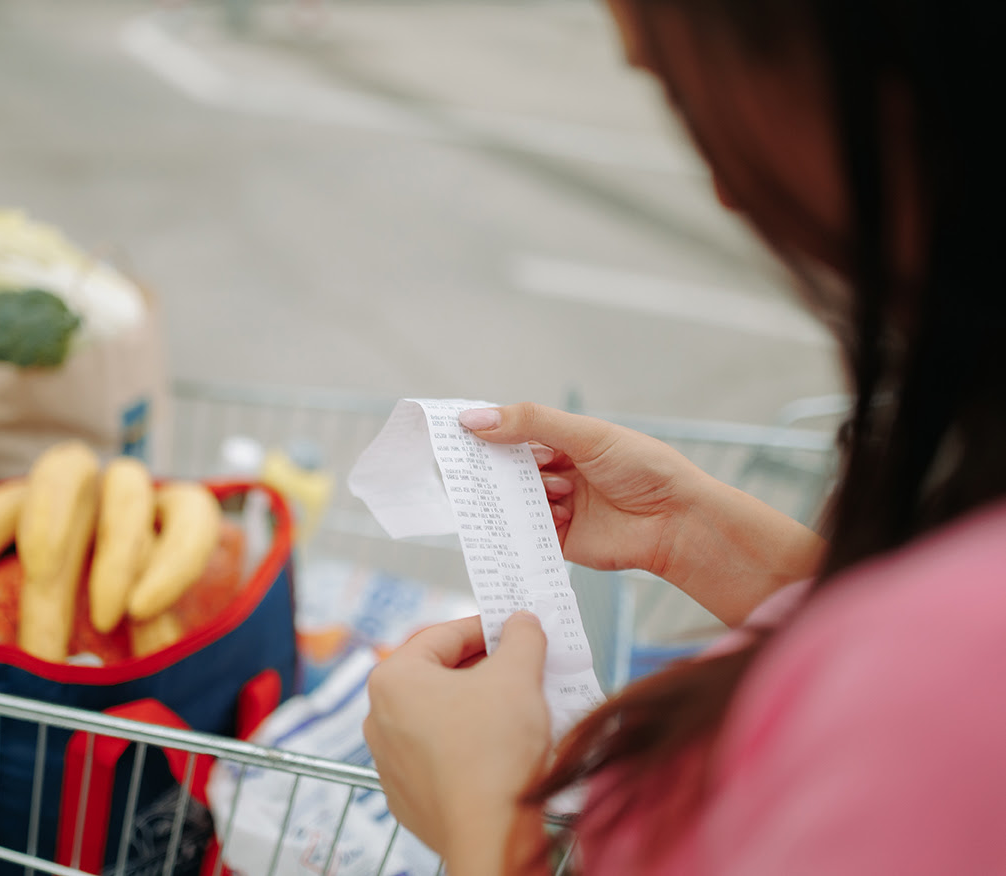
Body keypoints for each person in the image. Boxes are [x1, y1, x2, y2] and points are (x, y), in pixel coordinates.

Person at [362, 0, 1006, 873]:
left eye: (688, 97)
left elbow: (925, 685)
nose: (728, 189)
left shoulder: (947, 679)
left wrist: (483, 823)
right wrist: (692, 532)